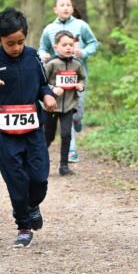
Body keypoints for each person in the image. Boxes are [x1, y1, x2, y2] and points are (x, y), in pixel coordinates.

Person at [0, 8, 57, 247]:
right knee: (16, 180)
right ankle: (23, 225)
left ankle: (33, 205)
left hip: (33, 130)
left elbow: (43, 85)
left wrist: (47, 96)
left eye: (20, 42)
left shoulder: (33, 57)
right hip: (7, 133)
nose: (16, 48)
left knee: (39, 179)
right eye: (10, 43)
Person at [39, 0, 98, 162]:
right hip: (57, 80)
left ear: (72, 8)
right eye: (62, 5)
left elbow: (94, 43)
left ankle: (79, 122)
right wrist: (44, 55)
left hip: (77, 76)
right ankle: (72, 151)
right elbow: (42, 48)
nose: (65, 7)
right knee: (67, 113)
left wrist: (84, 52)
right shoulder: (49, 29)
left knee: (77, 114)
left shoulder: (81, 25)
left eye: (68, 5)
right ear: (55, 9)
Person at [44, 31, 86, 176]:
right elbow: (40, 82)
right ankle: (41, 163)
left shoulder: (77, 64)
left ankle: (64, 166)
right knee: (48, 136)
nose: (68, 48)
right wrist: (52, 89)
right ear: (56, 47)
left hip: (68, 105)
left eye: (71, 45)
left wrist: (81, 85)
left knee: (66, 134)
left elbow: (82, 78)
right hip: (50, 106)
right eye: (64, 45)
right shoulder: (51, 64)